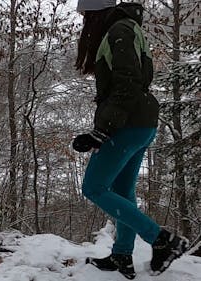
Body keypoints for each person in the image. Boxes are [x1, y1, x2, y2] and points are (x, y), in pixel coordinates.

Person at [72, 0, 189, 279]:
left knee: (94, 187)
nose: (85, 21)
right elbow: (130, 82)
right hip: (141, 122)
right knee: (123, 191)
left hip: (128, 123)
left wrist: (103, 129)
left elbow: (127, 82)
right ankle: (122, 254)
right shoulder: (127, 28)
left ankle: (161, 239)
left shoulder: (119, 31)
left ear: (97, 12)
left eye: (87, 15)